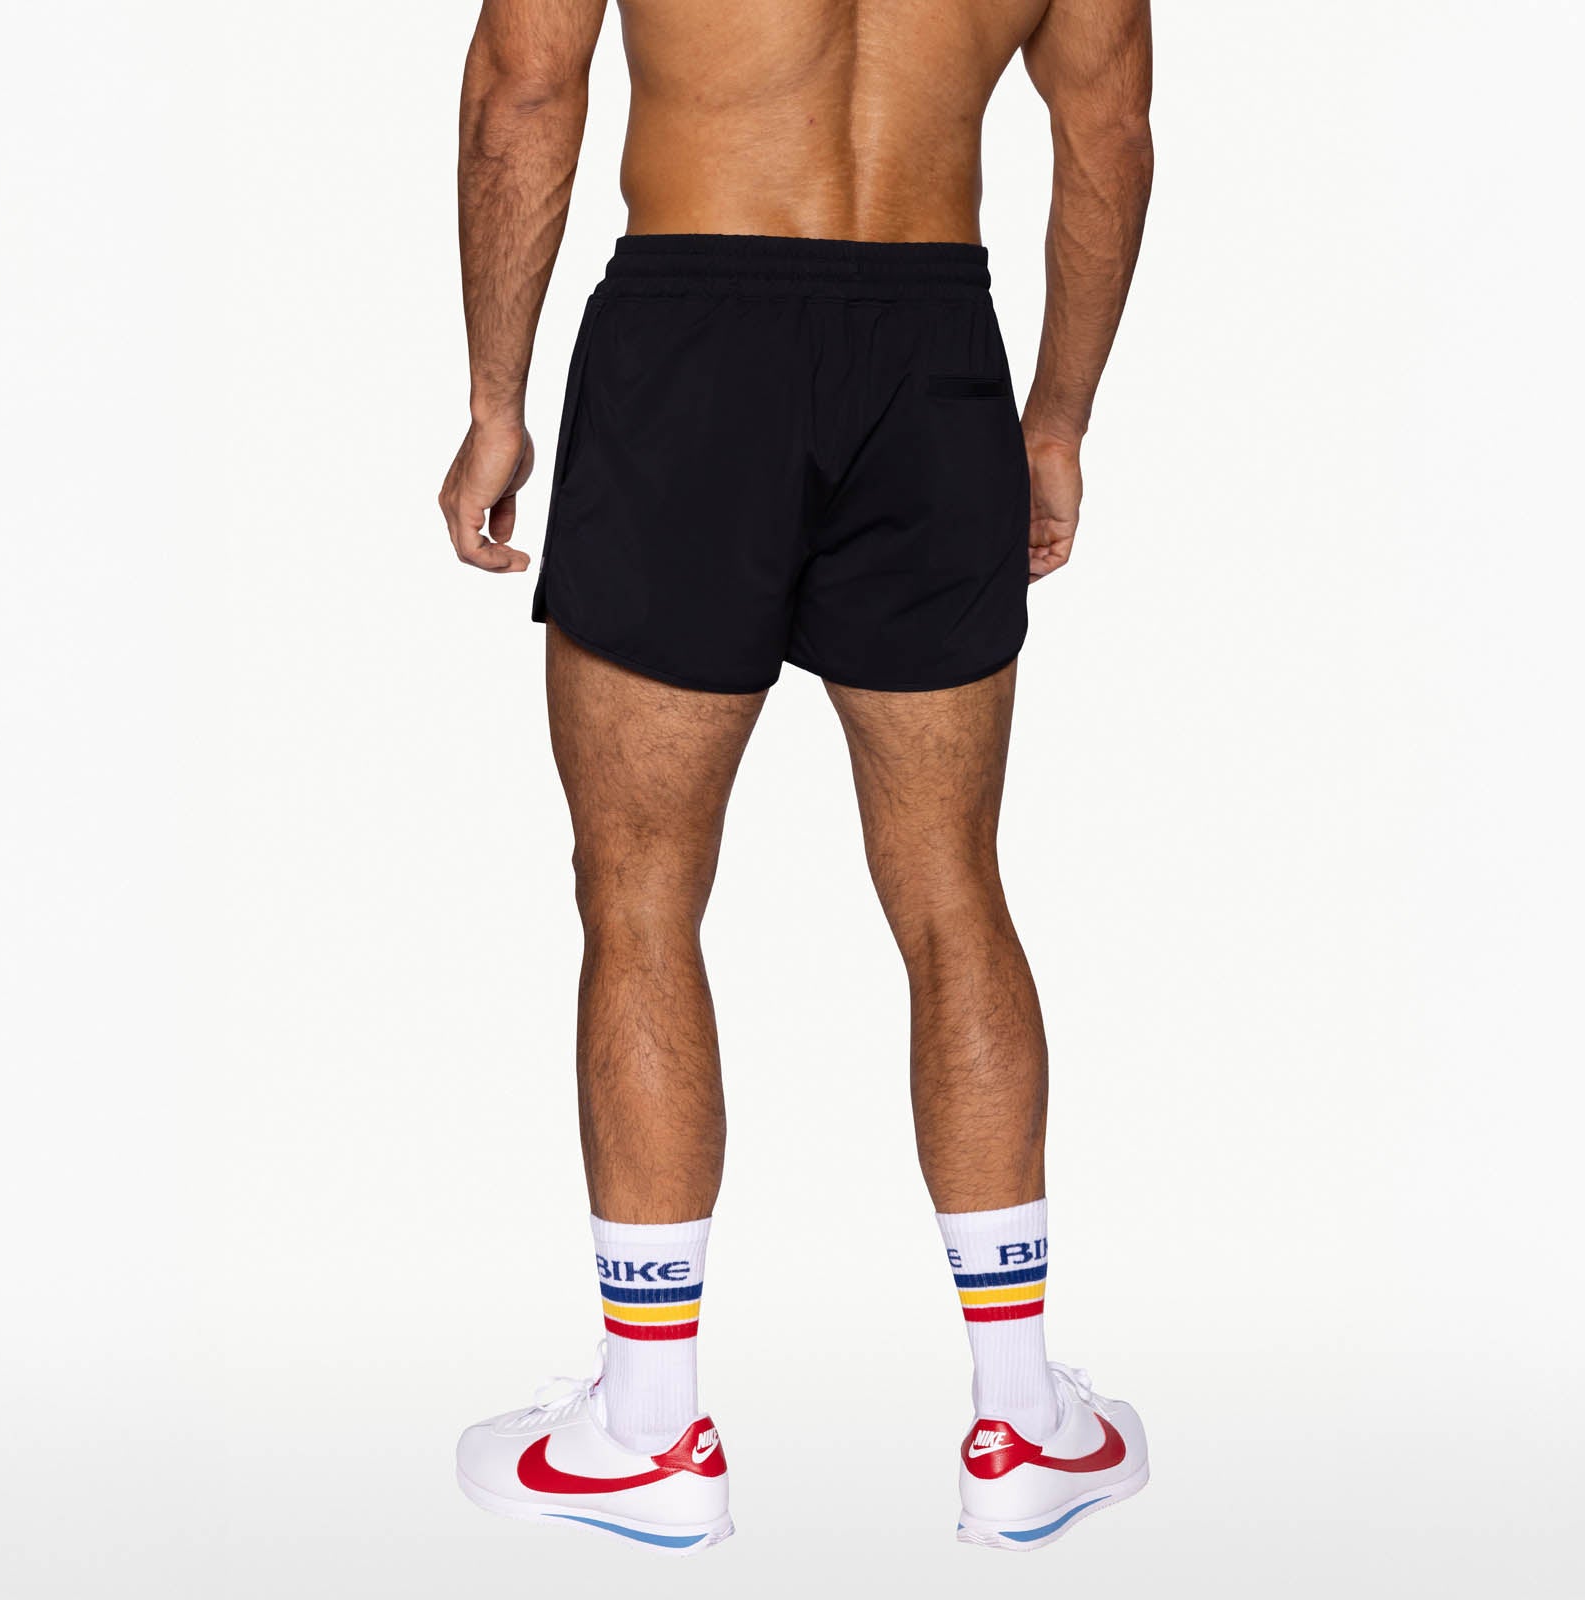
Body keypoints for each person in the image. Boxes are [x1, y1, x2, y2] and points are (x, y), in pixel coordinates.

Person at [440, 0, 1153, 1554]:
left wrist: (497, 403)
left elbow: (524, 85)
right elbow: (1105, 128)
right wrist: (1055, 420)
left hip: (694, 333)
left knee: (639, 889)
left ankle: (648, 1433)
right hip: (934, 352)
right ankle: (1023, 1424)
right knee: (952, 887)